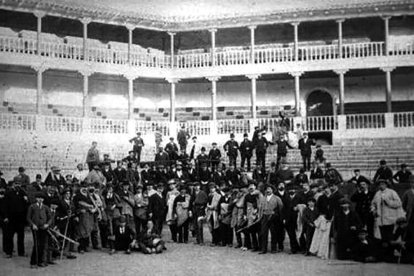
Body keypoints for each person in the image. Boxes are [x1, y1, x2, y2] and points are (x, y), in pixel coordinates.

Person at [371, 179, 402, 245]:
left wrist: (388, 202)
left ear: (386, 184)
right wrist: (374, 210)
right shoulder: (377, 193)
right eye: (380, 184)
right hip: (380, 220)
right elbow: (373, 204)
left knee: (390, 238)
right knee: (383, 239)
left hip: (390, 220)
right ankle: (384, 253)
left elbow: (399, 203)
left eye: (383, 184)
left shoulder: (392, 192)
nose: (381, 185)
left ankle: (391, 253)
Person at [3, 180, 29, 258]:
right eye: (16, 184)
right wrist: (6, 217)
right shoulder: (8, 193)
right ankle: (9, 252)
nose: (17, 185)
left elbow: (27, 206)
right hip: (11, 218)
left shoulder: (23, 193)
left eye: (19, 184)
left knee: (21, 236)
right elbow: (5, 206)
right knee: (9, 236)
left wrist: (26, 200)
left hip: (20, 219)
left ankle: (21, 252)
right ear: (13, 185)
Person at [27, 192, 52, 268]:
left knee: (42, 245)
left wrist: (47, 224)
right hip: (36, 228)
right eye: (38, 198)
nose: (40, 200)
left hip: (43, 228)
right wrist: (33, 225)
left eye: (42, 198)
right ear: (36, 198)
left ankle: (40, 261)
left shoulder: (46, 207)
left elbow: (50, 218)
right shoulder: (32, 207)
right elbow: (28, 218)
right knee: (36, 245)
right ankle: (33, 262)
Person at [258, 185, 283, 254]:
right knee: (264, 233)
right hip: (264, 216)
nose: (268, 191)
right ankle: (264, 249)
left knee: (273, 233)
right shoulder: (262, 198)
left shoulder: (277, 198)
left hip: (273, 216)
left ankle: (273, 248)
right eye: (266, 189)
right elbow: (260, 208)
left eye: (269, 189)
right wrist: (260, 216)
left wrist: (277, 216)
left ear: (272, 190)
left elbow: (280, 207)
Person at [244, 182, 261, 251]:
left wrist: (256, 210)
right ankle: (252, 246)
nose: (251, 188)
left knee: (258, 231)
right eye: (250, 186)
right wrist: (245, 214)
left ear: (255, 187)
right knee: (250, 230)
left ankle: (260, 246)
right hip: (249, 213)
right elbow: (245, 205)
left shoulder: (258, 195)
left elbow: (260, 204)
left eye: (252, 186)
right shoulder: (246, 196)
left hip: (256, 213)